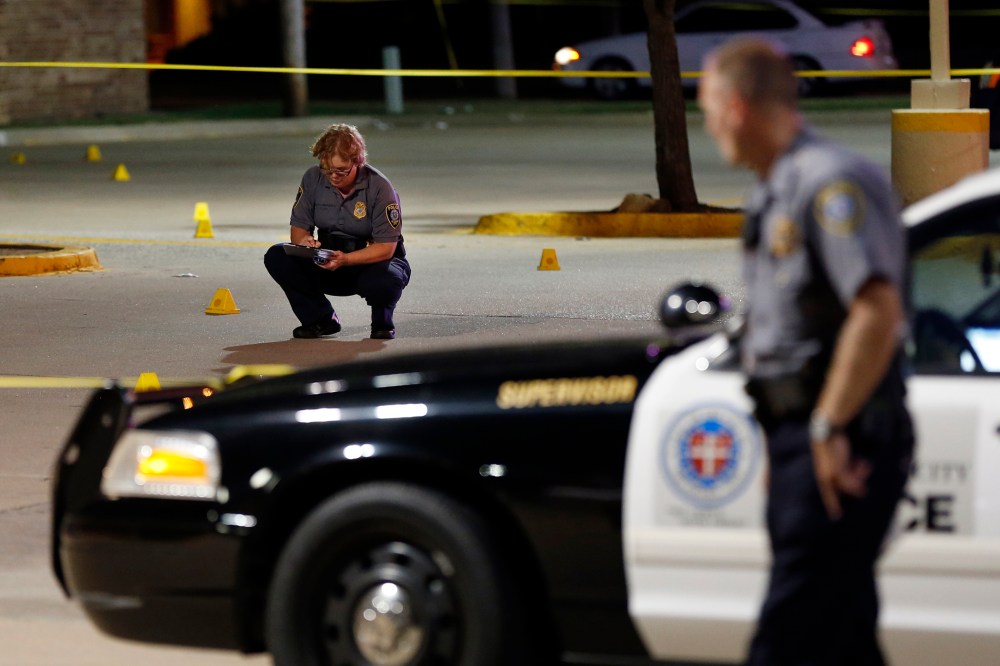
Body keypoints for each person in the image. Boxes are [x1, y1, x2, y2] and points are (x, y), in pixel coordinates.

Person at [697, 38, 915, 665]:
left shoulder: (830, 183)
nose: (709, 128)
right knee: (840, 631)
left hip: (847, 436)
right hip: (807, 434)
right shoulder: (776, 190)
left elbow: (877, 311)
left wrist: (825, 427)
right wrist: (785, 436)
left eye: (708, 111)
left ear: (736, 108)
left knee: (788, 634)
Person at [264, 123, 410, 339]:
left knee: (386, 277)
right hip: (328, 258)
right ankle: (320, 320)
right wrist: (305, 242)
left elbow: (386, 249)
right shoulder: (313, 178)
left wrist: (347, 260)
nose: (333, 176)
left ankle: (382, 320)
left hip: (370, 262)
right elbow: (298, 228)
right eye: (327, 169)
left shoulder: (380, 187)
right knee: (278, 256)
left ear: (357, 162)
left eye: (341, 170)